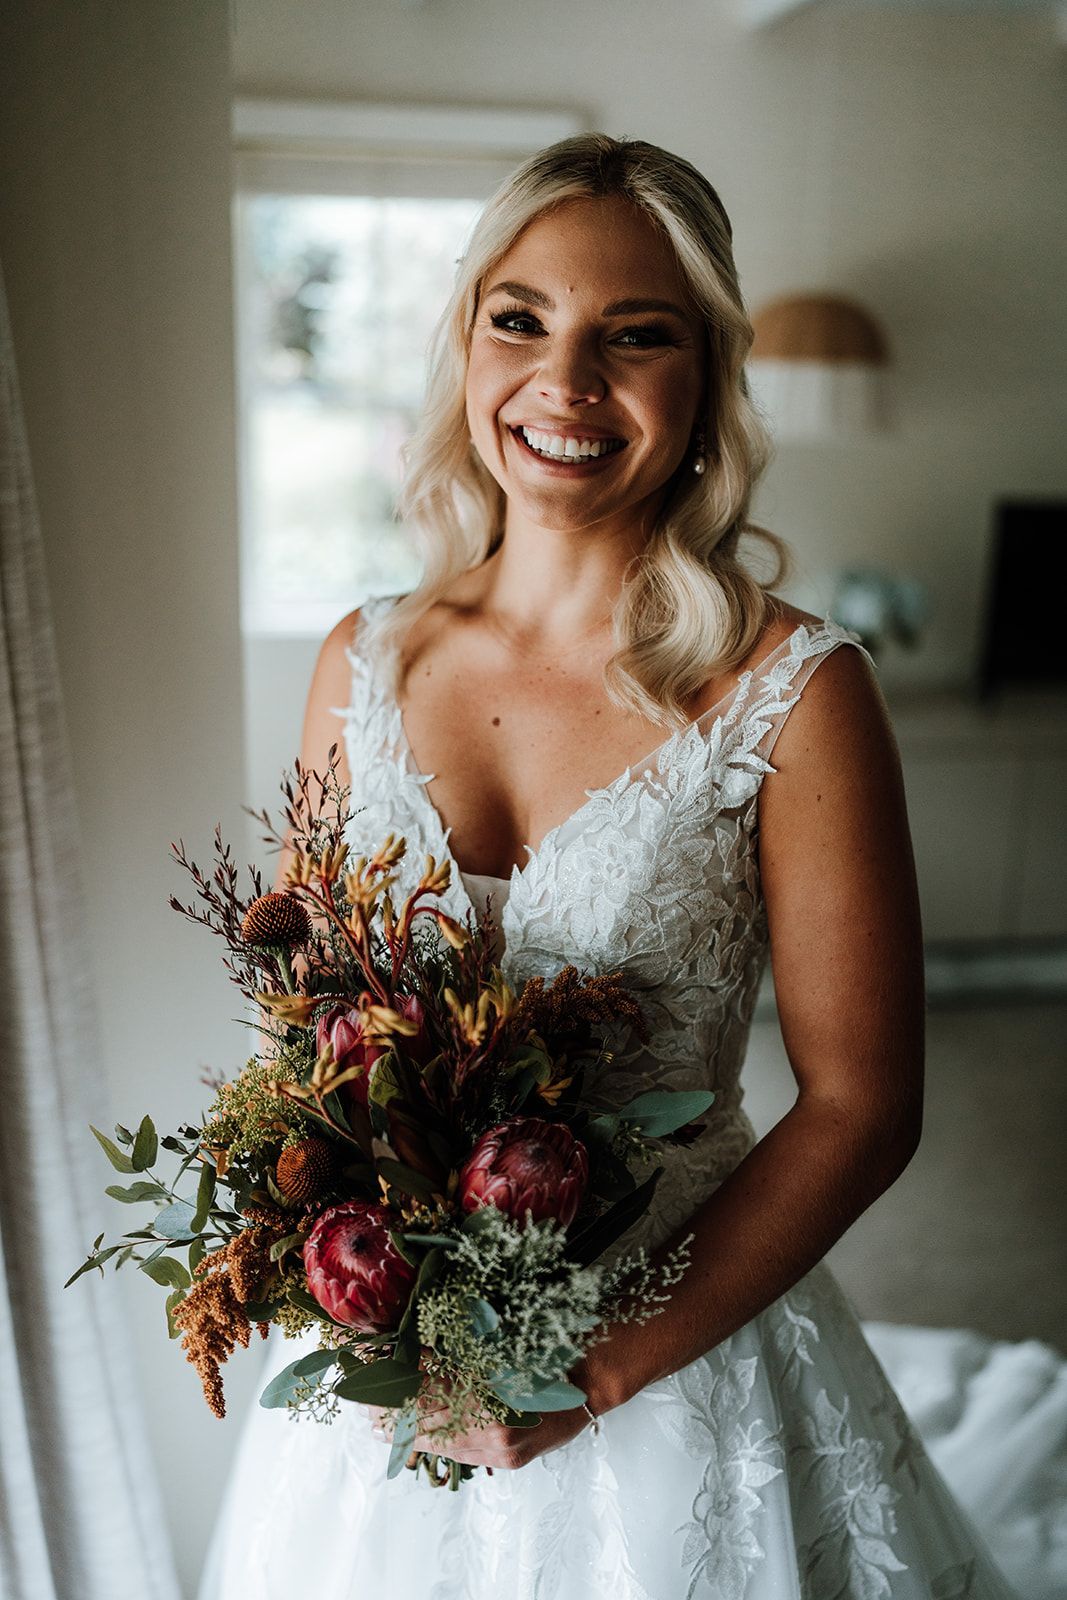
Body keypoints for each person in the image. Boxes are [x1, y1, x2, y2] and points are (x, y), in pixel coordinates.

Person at [199, 134, 1022, 1598]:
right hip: (397, 1378)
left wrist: (592, 1373)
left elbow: (865, 1104)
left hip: (675, 1366)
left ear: (704, 377)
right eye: (522, 320)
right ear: (467, 345)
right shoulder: (363, 662)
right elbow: (309, 1034)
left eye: (635, 337)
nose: (566, 387)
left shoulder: (799, 693)